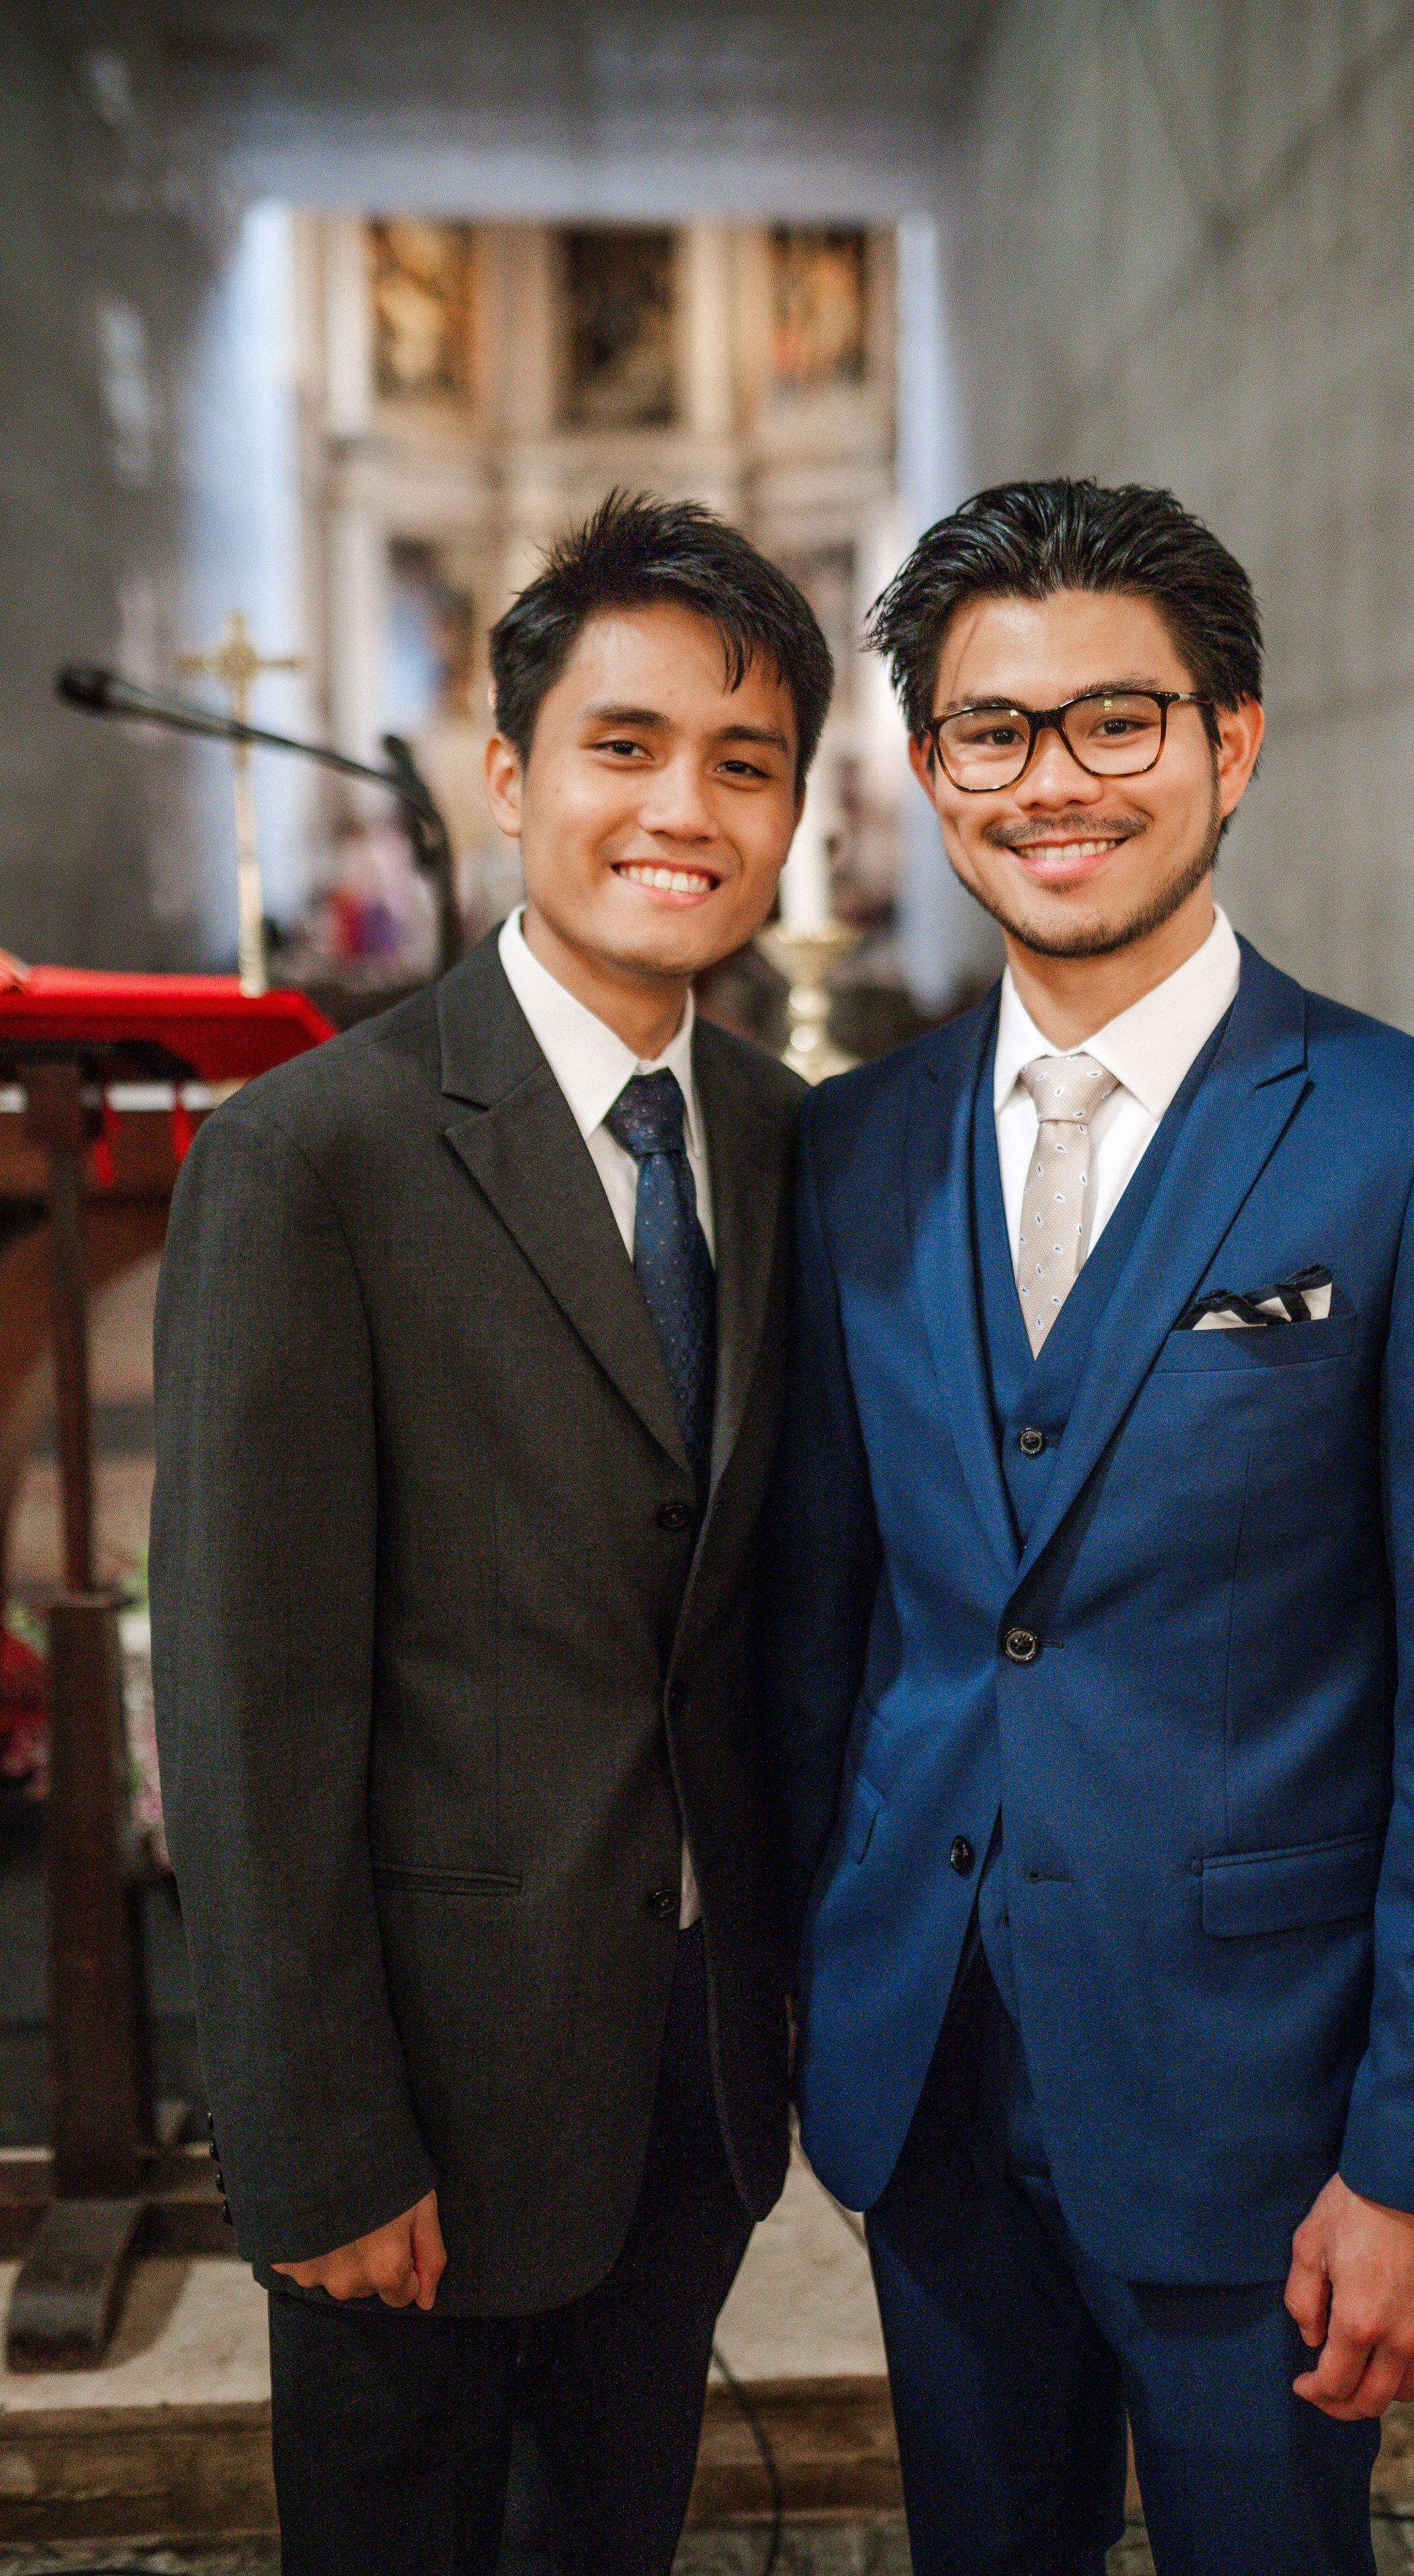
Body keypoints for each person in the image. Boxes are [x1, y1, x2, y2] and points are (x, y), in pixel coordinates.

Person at [763, 478, 1414, 2576]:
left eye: (1116, 722)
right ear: (938, 776)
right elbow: (837, 1621)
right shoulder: (856, 1149)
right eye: (993, 732)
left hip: (1264, 2117)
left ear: (1233, 741)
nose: (1054, 783)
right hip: (931, 2080)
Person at [152, 490, 832, 2576]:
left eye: (745, 763)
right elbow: (248, 1710)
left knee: (609, 2532)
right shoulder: (313, 1160)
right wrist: (315, 2142)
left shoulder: (790, 1142)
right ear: (512, 772)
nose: (683, 811)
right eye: (625, 747)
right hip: (421, 2101)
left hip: (696, 2075)